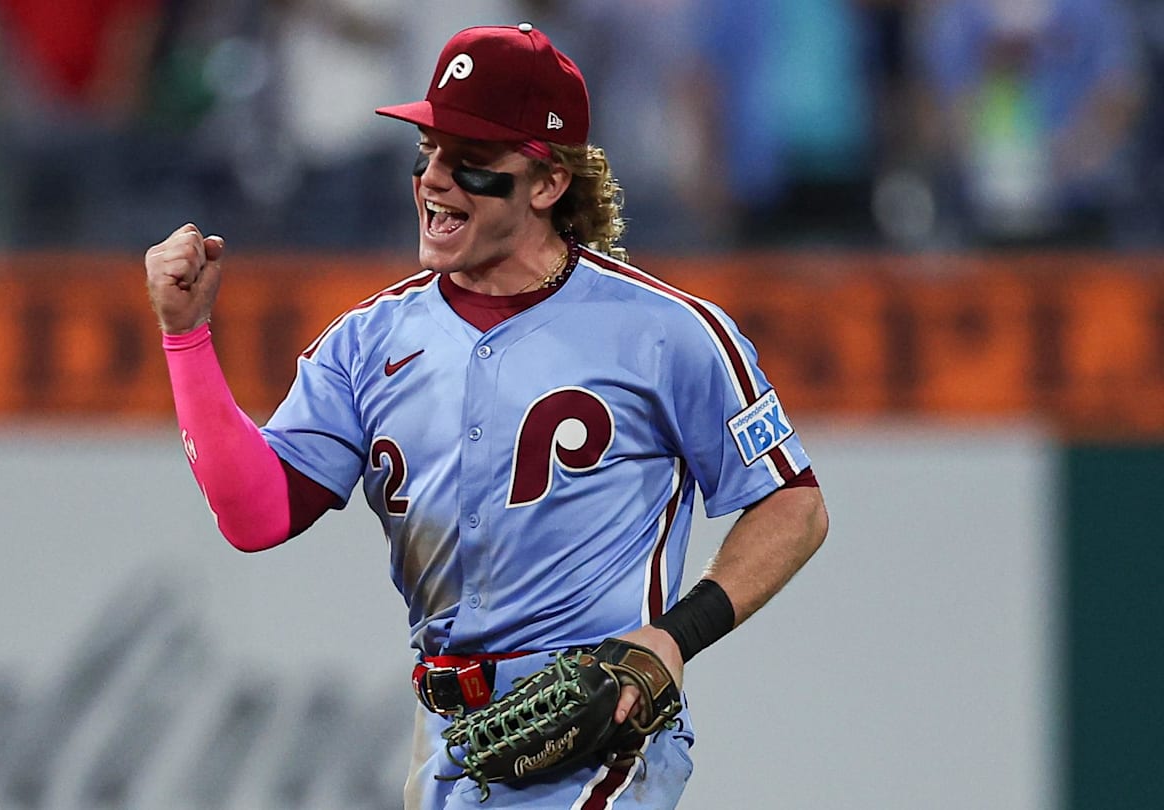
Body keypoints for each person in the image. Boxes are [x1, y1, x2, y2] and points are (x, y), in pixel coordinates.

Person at [145, 23, 828, 809]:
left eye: (471, 162)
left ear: (546, 183)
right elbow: (254, 514)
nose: (436, 181)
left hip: (602, 729)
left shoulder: (664, 331)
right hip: (447, 744)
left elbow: (793, 504)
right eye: (428, 152)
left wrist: (676, 635)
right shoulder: (369, 342)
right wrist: (186, 339)